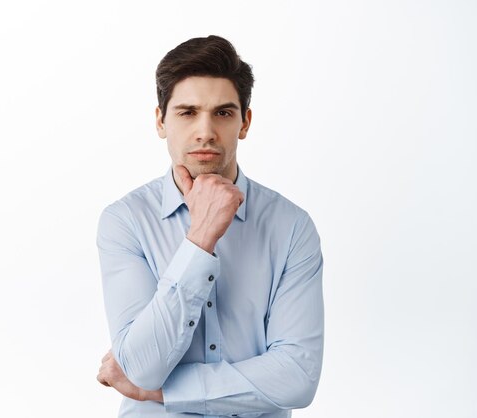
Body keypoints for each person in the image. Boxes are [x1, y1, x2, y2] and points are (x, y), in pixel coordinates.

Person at [96, 35, 324, 418]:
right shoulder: (125, 221)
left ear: (245, 122)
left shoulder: (292, 227)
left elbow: (298, 376)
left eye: (222, 113)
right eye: (187, 112)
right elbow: (142, 367)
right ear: (161, 121)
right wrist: (200, 237)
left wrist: (159, 394)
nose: (205, 131)